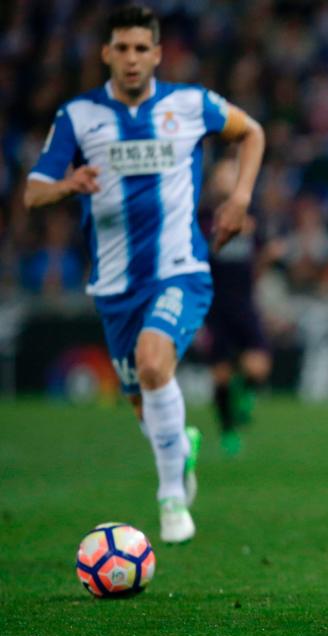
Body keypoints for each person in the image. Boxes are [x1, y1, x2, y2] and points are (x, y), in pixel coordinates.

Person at [23, 5, 265, 543]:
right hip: (113, 286)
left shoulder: (188, 103)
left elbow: (252, 133)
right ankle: (181, 446)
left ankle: (171, 500)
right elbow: (33, 190)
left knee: (154, 363)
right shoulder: (79, 117)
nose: (132, 59)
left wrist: (241, 197)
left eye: (141, 49)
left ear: (156, 54)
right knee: (144, 399)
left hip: (180, 269)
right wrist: (68, 185)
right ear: (107, 53)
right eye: (122, 49)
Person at [201, 159, 272, 457]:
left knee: (259, 365)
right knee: (220, 375)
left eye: (232, 173)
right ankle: (228, 431)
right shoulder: (203, 218)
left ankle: (246, 396)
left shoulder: (253, 216)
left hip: (244, 302)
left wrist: (267, 256)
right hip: (215, 304)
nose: (227, 179)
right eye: (222, 173)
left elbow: (260, 257)